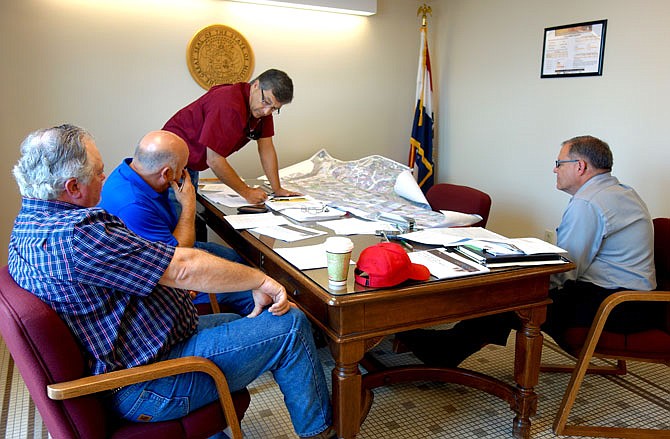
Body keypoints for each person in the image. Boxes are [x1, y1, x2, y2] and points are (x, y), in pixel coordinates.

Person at [8, 124, 334, 439]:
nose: (104, 179)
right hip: (147, 382)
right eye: (97, 172)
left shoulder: (26, 226)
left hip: (133, 356)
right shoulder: (79, 234)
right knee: (289, 324)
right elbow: (182, 267)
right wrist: (261, 280)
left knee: (239, 320)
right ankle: (320, 432)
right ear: (72, 188)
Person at [397, 135, 657, 367]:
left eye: (559, 163)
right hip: (634, 302)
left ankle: (446, 350)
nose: (554, 169)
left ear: (580, 167)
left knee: (511, 297)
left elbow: (566, 269)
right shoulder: (619, 191)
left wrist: (522, 282)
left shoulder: (589, 203)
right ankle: (450, 346)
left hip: (616, 308)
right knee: (510, 293)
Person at [98, 130, 254, 315]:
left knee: (238, 259)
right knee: (249, 291)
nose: (184, 174)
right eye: (183, 169)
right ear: (167, 173)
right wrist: (189, 204)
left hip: (168, 246)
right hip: (165, 276)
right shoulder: (133, 204)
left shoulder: (133, 171)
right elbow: (178, 256)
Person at [163, 68, 301, 205]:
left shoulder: (261, 109)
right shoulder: (228, 103)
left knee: (189, 218)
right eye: (267, 102)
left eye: (274, 108)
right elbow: (214, 160)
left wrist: (277, 189)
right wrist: (246, 192)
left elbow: (266, 148)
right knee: (177, 222)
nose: (266, 111)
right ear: (255, 85)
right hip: (169, 163)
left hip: (190, 165)